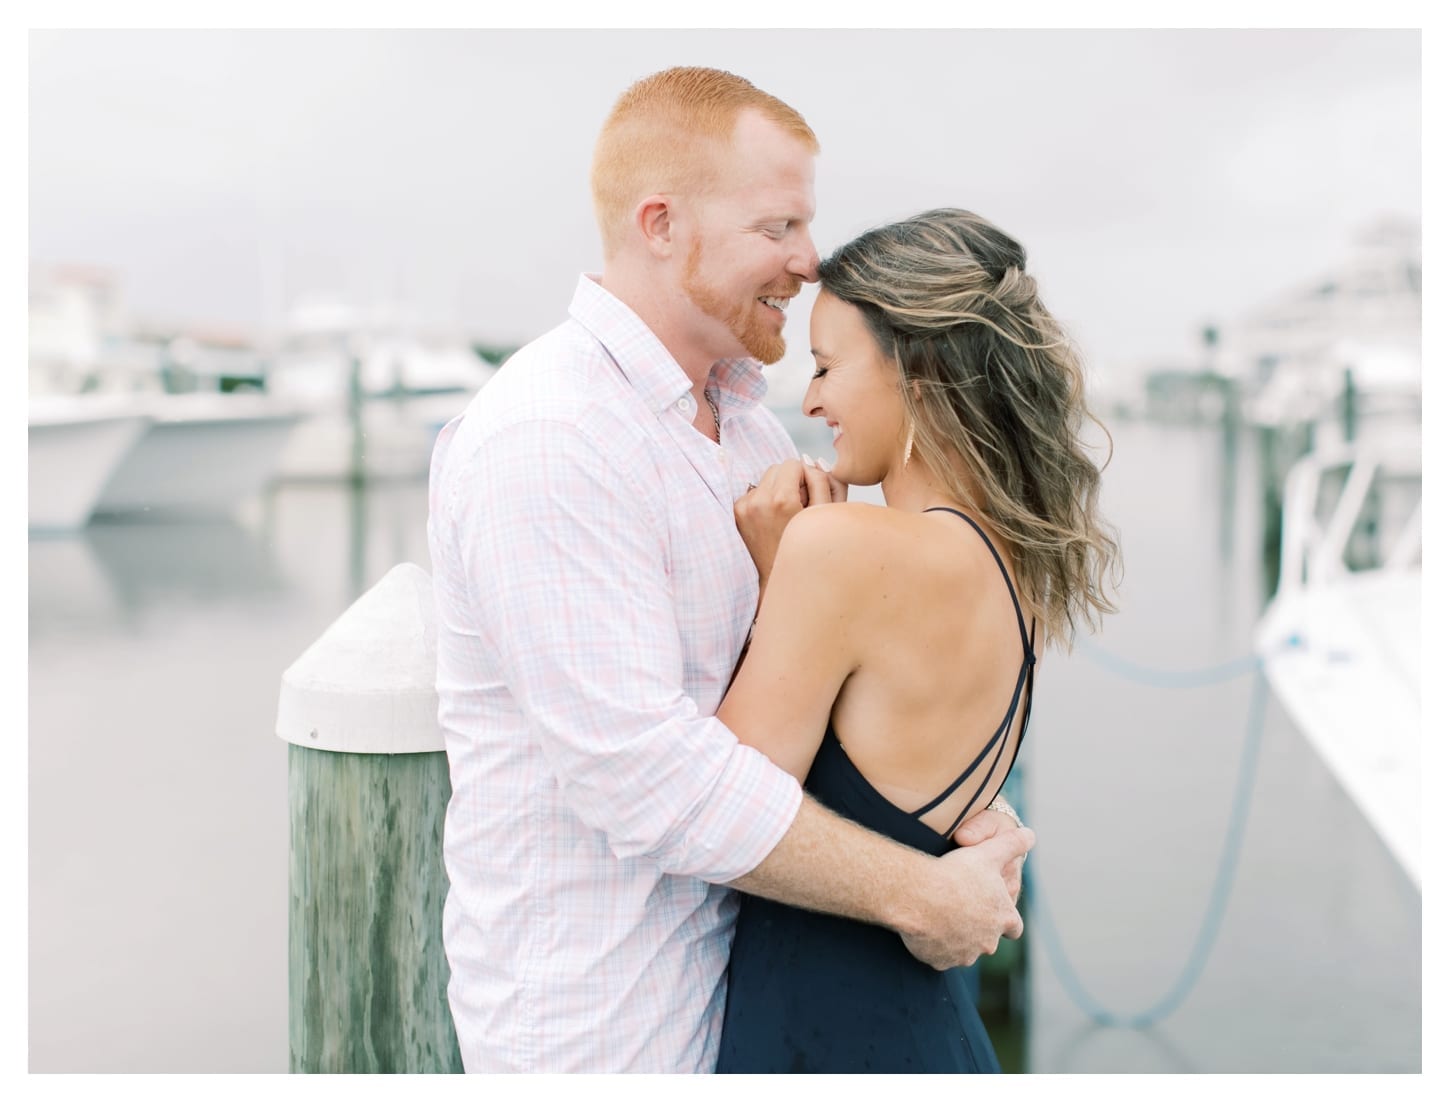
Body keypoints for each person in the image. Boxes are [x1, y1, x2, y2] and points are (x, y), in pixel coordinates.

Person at [426, 68, 1033, 1074]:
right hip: (611, 1034)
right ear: (659, 223)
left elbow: (824, 690)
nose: (809, 259)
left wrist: (951, 823)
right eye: (778, 227)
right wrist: (921, 890)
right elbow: (644, 776)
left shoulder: (750, 429)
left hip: (763, 1007)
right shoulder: (548, 436)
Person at [713, 207, 1122, 1072]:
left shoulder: (840, 549)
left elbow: (716, 810)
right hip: (930, 1033)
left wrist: (771, 574)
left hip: (822, 1041)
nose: (812, 397)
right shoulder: (1023, 567)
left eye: (826, 366)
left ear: (921, 371)